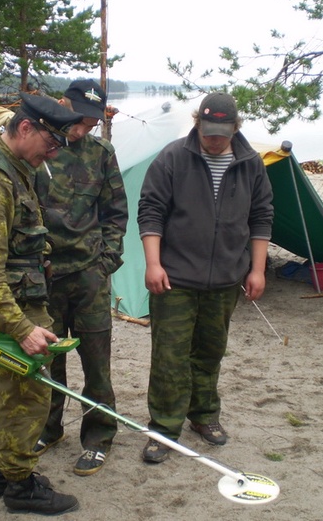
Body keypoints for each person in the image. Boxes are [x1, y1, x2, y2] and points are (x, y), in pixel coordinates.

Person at [0, 93, 83, 515]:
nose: (55, 150)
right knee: (29, 395)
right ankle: (21, 485)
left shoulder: (14, 167)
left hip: (21, 298)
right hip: (15, 307)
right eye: (52, 141)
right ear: (25, 128)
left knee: (6, 390)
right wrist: (22, 328)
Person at [137, 92, 274, 463]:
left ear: (235, 127)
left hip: (226, 279)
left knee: (211, 351)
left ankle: (203, 415)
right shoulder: (172, 157)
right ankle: (164, 428)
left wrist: (257, 269)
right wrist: (153, 263)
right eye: (207, 130)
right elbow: (150, 211)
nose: (213, 139)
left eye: (221, 132)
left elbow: (261, 217)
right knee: (170, 355)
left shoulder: (250, 163)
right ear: (197, 123)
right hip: (175, 278)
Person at [32, 80, 128, 476]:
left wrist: (105, 262)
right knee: (47, 360)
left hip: (89, 276)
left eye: (90, 122)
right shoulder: (40, 150)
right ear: (61, 105)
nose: (81, 128)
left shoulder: (101, 153)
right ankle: (49, 428)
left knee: (95, 362)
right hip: (46, 277)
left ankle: (99, 436)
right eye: (78, 119)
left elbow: (116, 214)